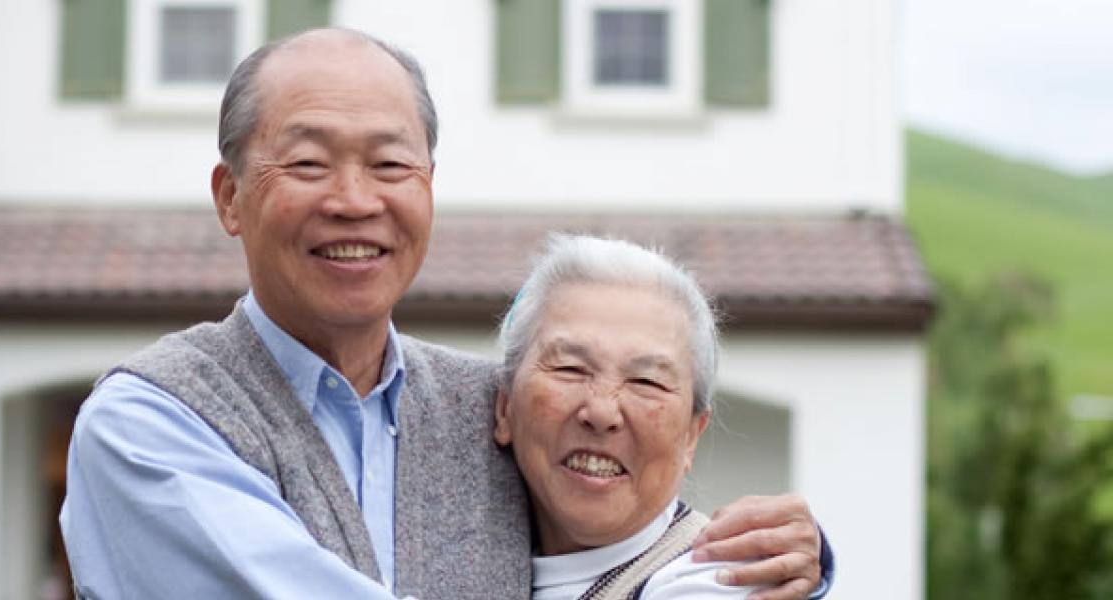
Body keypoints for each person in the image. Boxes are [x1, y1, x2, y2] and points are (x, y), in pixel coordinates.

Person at [59, 28, 829, 599]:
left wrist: (789, 559)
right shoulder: (150, 422)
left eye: (391, 164)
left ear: (428, 188)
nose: (355, 201)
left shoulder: (491, 406)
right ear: (230, 197)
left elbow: (627, 510)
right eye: (308, 161)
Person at [493, 234, 763, 599]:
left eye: (646, 381)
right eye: (571, 368)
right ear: (505, 406)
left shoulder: (717, 583)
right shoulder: (449, 555)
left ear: (692, 436)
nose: (602, 412)